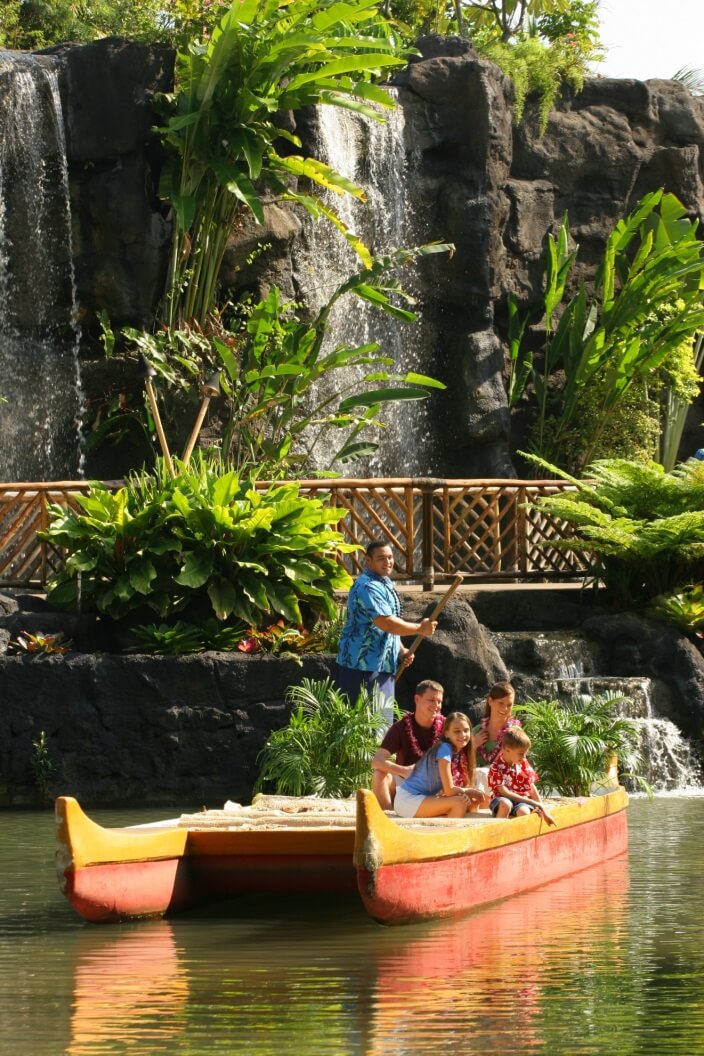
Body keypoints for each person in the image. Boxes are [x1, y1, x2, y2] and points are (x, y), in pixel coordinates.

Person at [336, 540, 437, 711]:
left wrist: (401, 650)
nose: (388, 562)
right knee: (364, 728)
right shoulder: (367, 586)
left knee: (381, 726)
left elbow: (389, 626)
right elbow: (386, 623)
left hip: (382, 665)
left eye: (390, 558)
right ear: (368, 560)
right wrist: (420, 629)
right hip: (361, 667)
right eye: (381, 558)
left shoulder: (385, 582)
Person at [393, 711, 485, 819]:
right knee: (460, 802)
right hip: (408, 799)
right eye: (457, 731)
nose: (462, 735)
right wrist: (469, 791)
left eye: (466, 730)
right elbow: (449, 790)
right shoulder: (444, 748)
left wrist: (471, 796)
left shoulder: (457, 754)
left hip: (422, 798)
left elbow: (448, 792)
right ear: (446, 733)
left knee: (468, 800)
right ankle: (449, 834)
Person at [371, 679, 445, 810]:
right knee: (379, 774)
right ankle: (389, 817)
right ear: (417, 699)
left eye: (439, 701)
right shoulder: (401, 727)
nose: (436, 705)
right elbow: (377, 761)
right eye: (431, 700)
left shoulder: (447, 727)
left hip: (437, 784)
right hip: (405, 782)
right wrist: (404, 771)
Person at [487, 726, 556, 825]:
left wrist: (543, 809)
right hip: (502, 799)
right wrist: (532, 802)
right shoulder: (496, 767)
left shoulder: (523, 763)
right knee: (505, 804)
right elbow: (505, 793)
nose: (524, 757)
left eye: (525, 754)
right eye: (520, 754)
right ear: (507, 749)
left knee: (524, 812)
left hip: (521, 801)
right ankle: (497, 832)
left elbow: (531, 787)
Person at [473, 682, 522, 768]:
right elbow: (462, 761)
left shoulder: (514, 733)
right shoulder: (477, 731)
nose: (505, 708)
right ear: (490, 701)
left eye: (509, 705)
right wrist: (473, 744)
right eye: (501, 703)